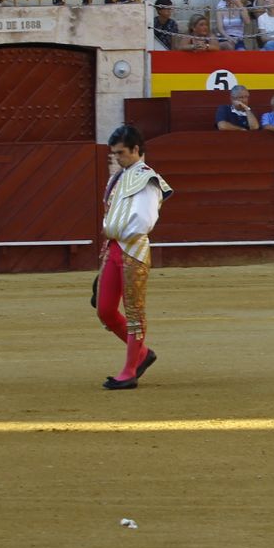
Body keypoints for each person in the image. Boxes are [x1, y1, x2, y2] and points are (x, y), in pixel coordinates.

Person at [96, 125, 172, 390]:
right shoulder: (118, 178)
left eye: (121, 153)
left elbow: (145, 220)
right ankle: (142, 354)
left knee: (133, 313)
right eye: (115, 154)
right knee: (105, 310)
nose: (117, 158)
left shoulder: (148, 178)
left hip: (134, 249)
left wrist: (120, 233)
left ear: (136, 150)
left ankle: (129, 371)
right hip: (113, 247)